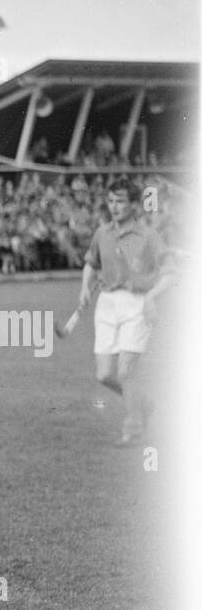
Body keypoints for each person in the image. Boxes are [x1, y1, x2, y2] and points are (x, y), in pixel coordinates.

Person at [76, 178, 171, 446]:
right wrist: (85, 288)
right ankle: (143, 403)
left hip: (137, 304)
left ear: (133, 205)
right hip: (106, 304)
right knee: (105, 375)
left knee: (126, 372)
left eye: (120, 201)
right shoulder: (102, 233)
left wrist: (152, 296)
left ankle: (133, 428)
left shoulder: (148, 236)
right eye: (111, 201)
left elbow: (171, 273)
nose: (114, 206)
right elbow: (90, 264)